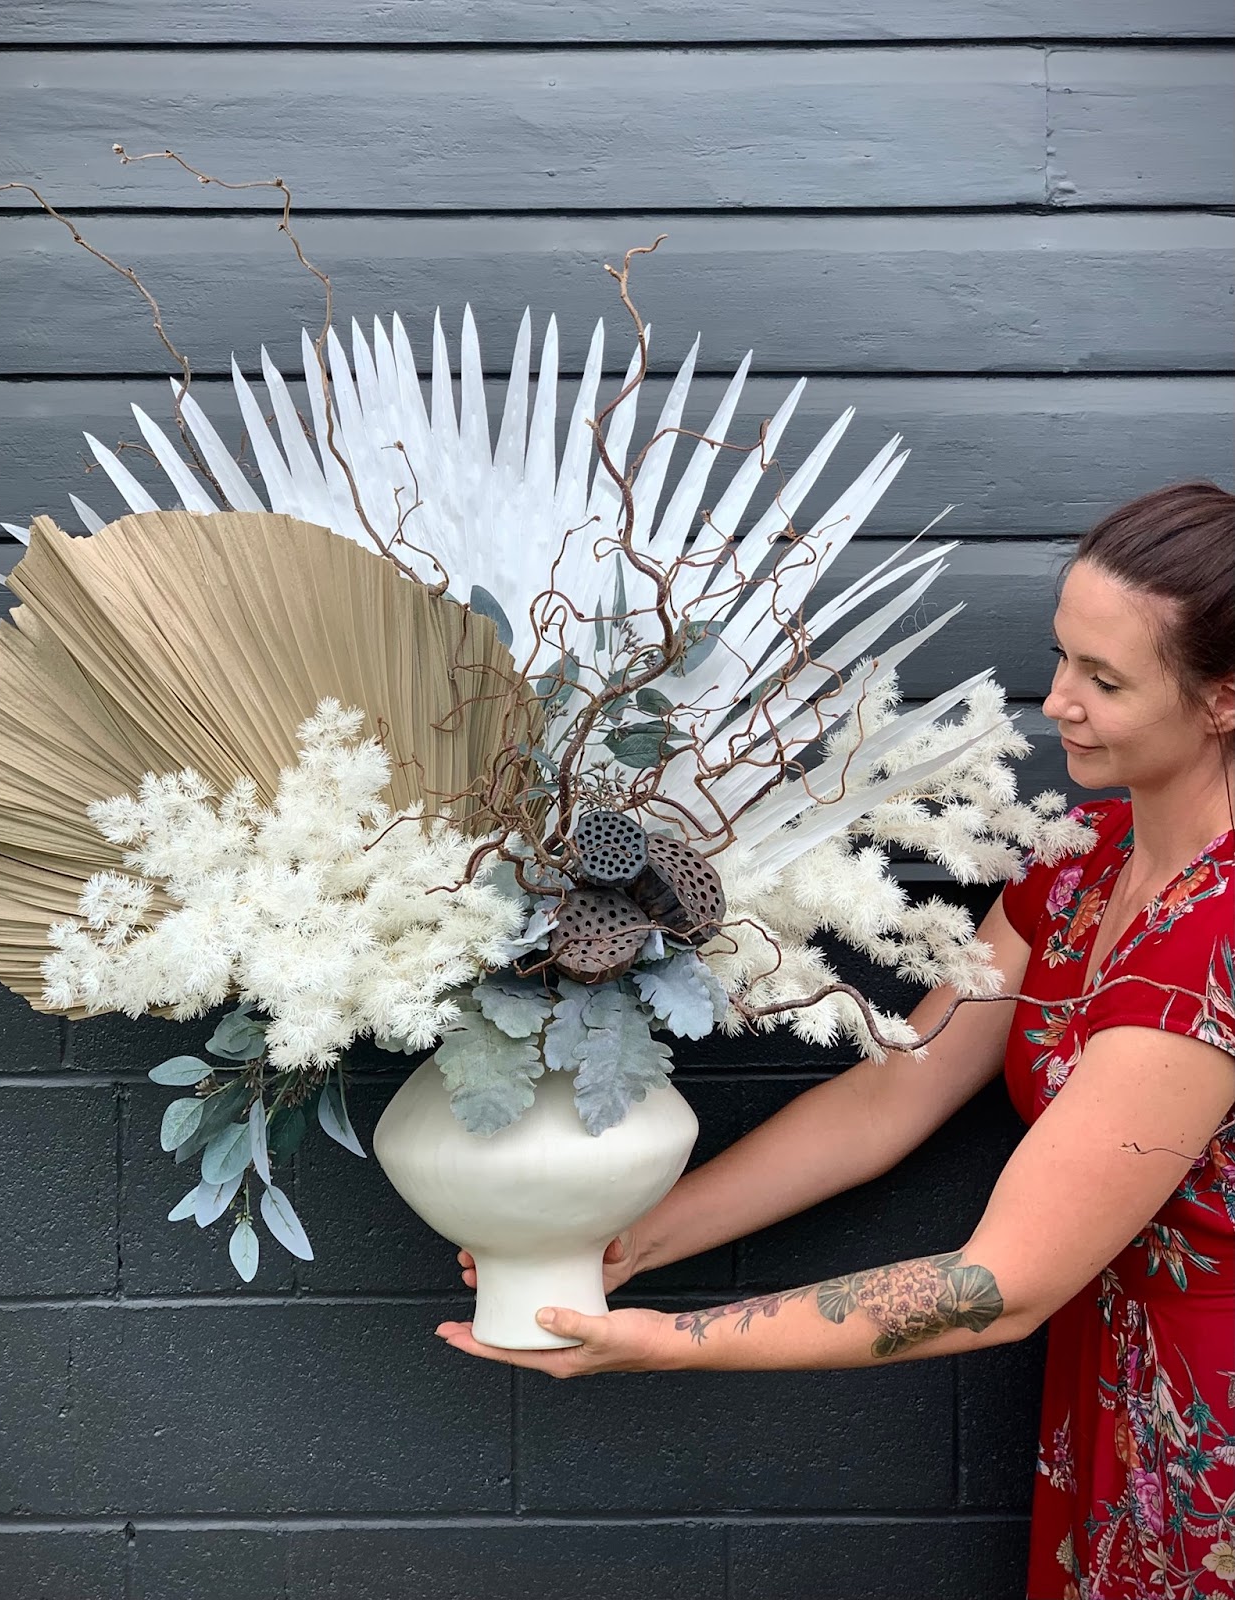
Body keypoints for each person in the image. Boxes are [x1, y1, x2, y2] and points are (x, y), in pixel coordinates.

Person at [438, 482, 1235, 1599]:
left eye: (1104, 681)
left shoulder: (1214, 938)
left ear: (1222, 701)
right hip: (1115, 1379)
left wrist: (671, 1344)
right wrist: (631, 1240)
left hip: (1208, 1417)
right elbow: (890, 1096)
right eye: (1060, 657)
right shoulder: (1082, 862)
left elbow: (1000, 1285)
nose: (1056, 700)